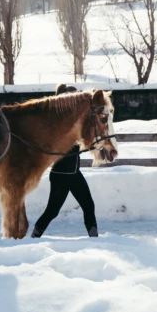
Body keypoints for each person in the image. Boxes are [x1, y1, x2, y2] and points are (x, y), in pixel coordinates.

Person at [32, 84, 99, 238]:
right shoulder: (57, 122)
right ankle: (35, 236)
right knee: (52, 211)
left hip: (74, 173)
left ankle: (94, 238)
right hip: (61, 175)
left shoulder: (73, 120)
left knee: (88, 205)